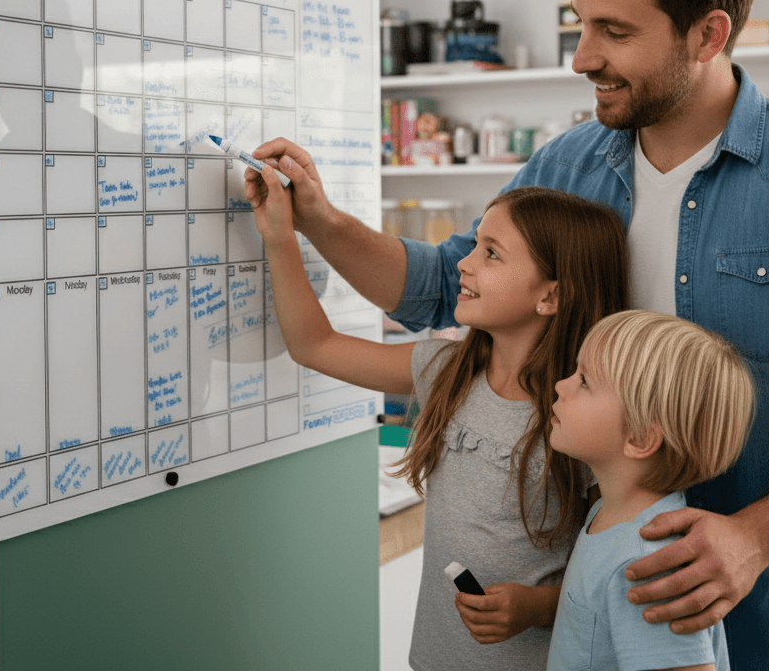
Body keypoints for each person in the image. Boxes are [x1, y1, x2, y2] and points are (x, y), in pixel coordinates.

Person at [246, 0, 769, 670]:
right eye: (580, 25)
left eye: (614, 31)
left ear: (708, 35)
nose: (582, 58)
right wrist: (322, 221)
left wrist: (752, 539)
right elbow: (444, 286)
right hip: (595, 611)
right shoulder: (564, 165)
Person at [250, 178, 630, 670]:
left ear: (551, 295)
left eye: (491, 254)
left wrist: (537, 607)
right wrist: (280, 237)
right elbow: (314, 346)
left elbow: (620, 577)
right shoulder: (447, 369)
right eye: (474, 246)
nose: (464, 264)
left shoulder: (586, 417)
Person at [546, 310, 754, 671]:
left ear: (640, 438)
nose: (560, 385)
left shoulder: (646, 564)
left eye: (583, 381)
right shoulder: (608, 515)